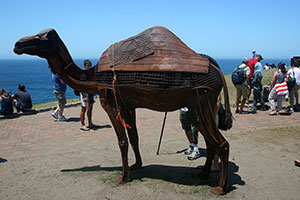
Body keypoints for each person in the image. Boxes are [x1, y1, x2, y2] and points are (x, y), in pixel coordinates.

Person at [79, 60, 96, 130]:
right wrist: (84, 96)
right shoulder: (83, 75)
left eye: (90, 65)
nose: (89, 67)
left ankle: (90, 123)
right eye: (87, 65)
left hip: (90, 94)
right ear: (85, 66)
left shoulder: (91, 74)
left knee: (90, 108)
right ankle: (83, 124)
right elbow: (81, 86)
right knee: (84, 109)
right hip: (85, 94)